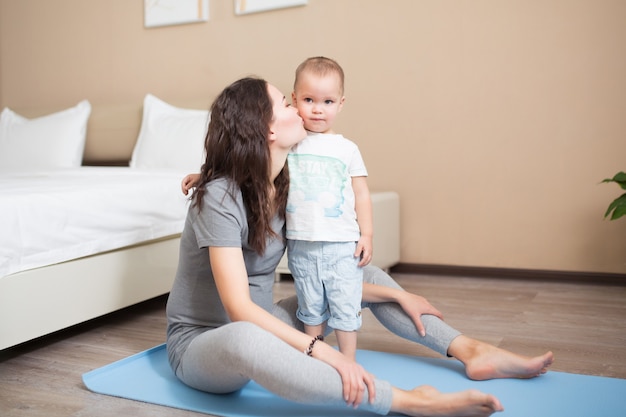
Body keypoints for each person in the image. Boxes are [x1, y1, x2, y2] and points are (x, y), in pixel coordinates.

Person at [167, 76, 554, 416]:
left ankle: (470, 350)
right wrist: (323, 351)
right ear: (265, 129)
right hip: (207, 345)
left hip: (266, 325)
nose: (299, 109)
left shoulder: (285, 186)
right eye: (285, 103)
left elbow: (322, 271)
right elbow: (239, 311)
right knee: (246, 335)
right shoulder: (219, 198)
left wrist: (391, 294)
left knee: (354, 268)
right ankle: (408, 402)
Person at [286, 56, 371, 361]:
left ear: (341, 103)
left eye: (328, 101)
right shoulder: (290, 143)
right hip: (302, 242)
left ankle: (348, 360)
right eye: (309, 100)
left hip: (341, 244)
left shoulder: (346, 148)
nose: (318, 108)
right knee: (310, 305)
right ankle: (317, 357)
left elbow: (361, 193)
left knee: (345, 303)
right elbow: (251, 165)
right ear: (295, 99)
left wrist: (367, 234)